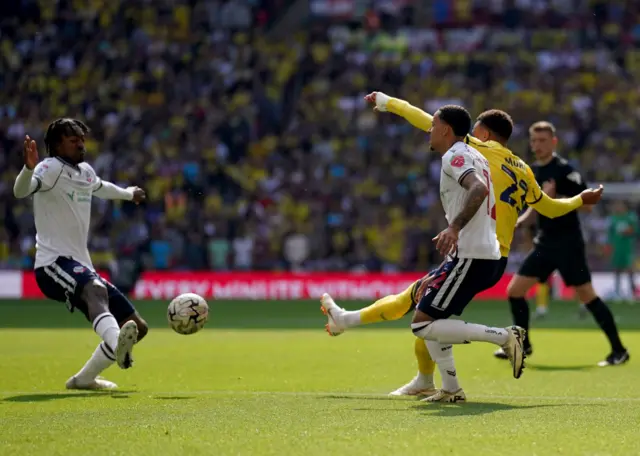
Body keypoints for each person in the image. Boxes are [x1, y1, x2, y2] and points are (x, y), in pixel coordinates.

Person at [321, 93, 604, 399]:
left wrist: (388, 102)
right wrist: (579, 199)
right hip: (495, 253)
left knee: (425, 319)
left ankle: (490, 347)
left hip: (475, 250)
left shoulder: (475, 148)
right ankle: (421, 375)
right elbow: (549, 207)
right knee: (417, 298)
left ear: (482, 133)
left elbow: (427, 121)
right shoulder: (523, 169)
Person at [324, 105, 530, 403]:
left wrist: (455, 228)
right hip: (475, 253)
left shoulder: (456, 155)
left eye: (433, 126)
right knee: (426, 304)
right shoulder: (475, 155)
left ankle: (505, 337)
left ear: (446, 130)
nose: (429, 131)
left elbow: (479, 189)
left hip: (473, 254)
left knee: (422, 324)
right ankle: (450, 388)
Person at [13, 118, 149, 390]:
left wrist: (128, 193)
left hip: (80, 264)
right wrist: (28, 169)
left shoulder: (85, 171)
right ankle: (115, 344)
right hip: (52, 264)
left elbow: (101, 188)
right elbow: (21, 191)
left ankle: (84, 380)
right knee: (95, 291)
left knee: (136, 326)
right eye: (74, 140)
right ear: (57, 144)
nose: (81, 145)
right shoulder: (49, 168)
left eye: (82, 140)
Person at [498, 121, 629, 366]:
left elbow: (588, 205)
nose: (537, 145)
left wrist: (556, 196)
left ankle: (619, 350)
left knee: (587, 295)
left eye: (542, 141)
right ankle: (523, 345)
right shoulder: (533, 171)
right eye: (534, 140)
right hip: (544, 244)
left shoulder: (567, 171)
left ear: (554, 142)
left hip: (568, 245)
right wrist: (519, 223)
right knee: (514, 291)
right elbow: (536, 206)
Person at [607, 200, 638, 300]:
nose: (618, 207)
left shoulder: (631, 217)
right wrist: (609, 246)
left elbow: (636, 230)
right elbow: (610, 234)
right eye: (616, 205)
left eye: (620, 205)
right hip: (617, 248)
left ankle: (633, 292)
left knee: (630, 269)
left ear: (625, 206)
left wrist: (629, 231)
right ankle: (617, 291)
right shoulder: (613, 218)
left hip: (628, 247)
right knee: (617, 270)